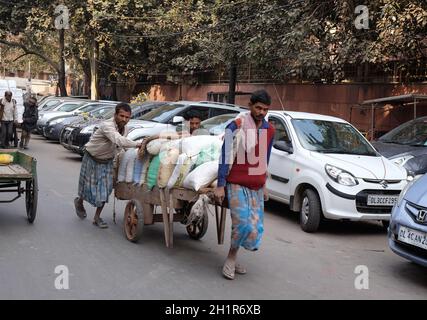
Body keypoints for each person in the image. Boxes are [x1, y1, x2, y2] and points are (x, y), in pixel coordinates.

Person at [215, 90, 275, 280]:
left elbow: (266, 157)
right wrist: (220, 184)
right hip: (236, 183)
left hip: (256, 185)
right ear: (250, 106)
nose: (261, 112)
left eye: (265, 109)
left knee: (254, 228)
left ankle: (235, 255)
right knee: (241, 223)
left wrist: (264, 183)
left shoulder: (269, 130)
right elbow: (225, 154)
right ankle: (231, 258)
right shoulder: (236, 126)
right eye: (258, 108)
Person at [74, 103, 142, 229]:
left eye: (127, 117)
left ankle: (97, 217)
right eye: (121, 116)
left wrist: (137, 155)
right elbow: (118, 140)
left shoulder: (125, 129)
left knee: (106, 190)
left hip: (107, 161)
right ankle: (79, 201)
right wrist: (138, 144)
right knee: (86, 187)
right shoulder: (107, 125)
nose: (124, 119)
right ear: (115, 114)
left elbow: (122, 145)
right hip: (92, 157)